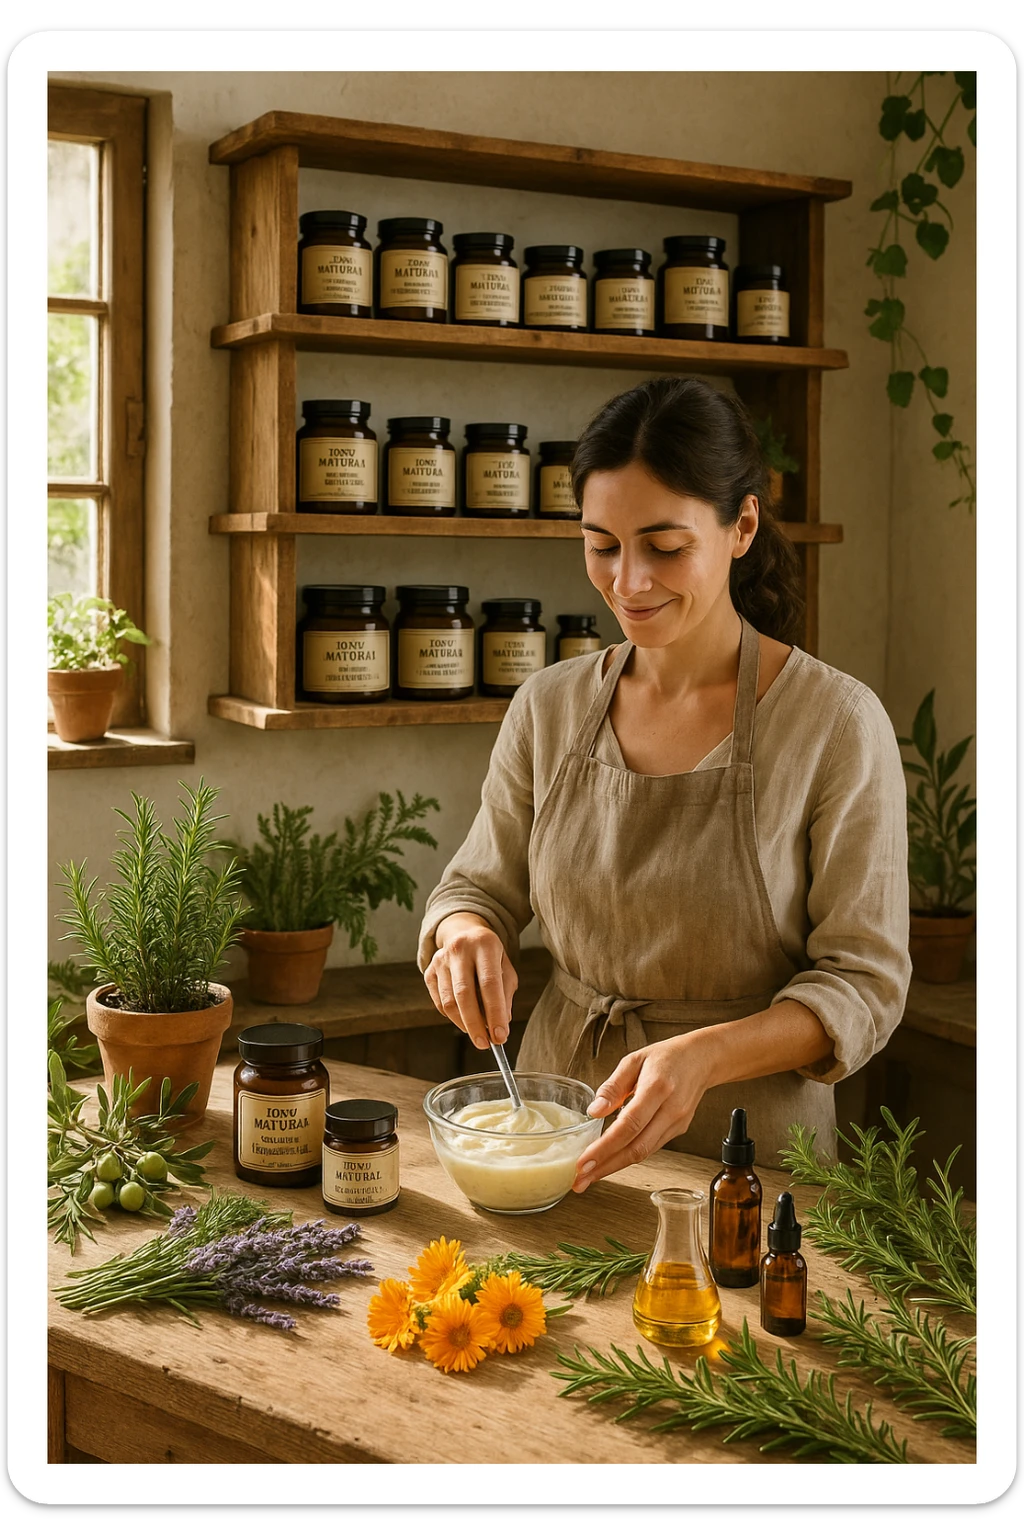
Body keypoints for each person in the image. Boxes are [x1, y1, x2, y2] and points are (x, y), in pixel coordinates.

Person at [417, 376, 911, 1189]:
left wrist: (706, 1055)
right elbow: (477, 885)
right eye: (602, 544)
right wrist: (464, 931)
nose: (628, 582)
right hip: (554, 1132)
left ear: (741, 525)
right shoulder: (548, 706)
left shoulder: (836, 724)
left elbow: (865, 982)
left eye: (664, 546)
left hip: (746, 1158)